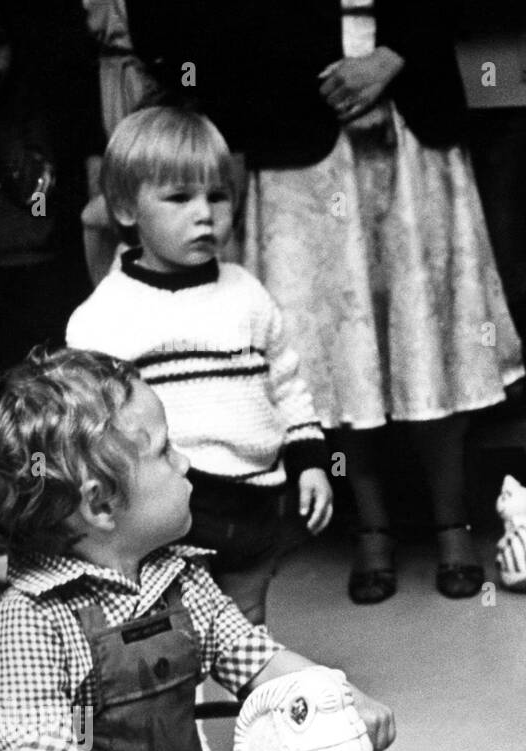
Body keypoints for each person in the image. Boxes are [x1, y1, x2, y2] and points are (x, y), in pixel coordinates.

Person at [0, 348, 461, 751]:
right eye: (165, 450)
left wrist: (334, 695)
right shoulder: (31, 618)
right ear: (101, 503)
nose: (186, 464)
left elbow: (258, 660)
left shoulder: (181, 579)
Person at [125, 0, 524, 603]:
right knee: (333, 347)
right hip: (292, 127)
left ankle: (453, 524)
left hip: (415, 118)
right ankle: (370, 528)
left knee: (432, 331)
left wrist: (396, 54)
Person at [68, 107, 334, 627]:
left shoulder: (247, 292)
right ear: (125, 208)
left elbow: (287, 383)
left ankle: (256, 706)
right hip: (171, 507)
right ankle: (175, 705)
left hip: (258, 495)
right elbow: (92, 430)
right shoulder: (104, 317)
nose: (205, 214)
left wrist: (313, 463)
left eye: (217, 195)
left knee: (246, 620)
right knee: (173, 627)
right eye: (179, 198)